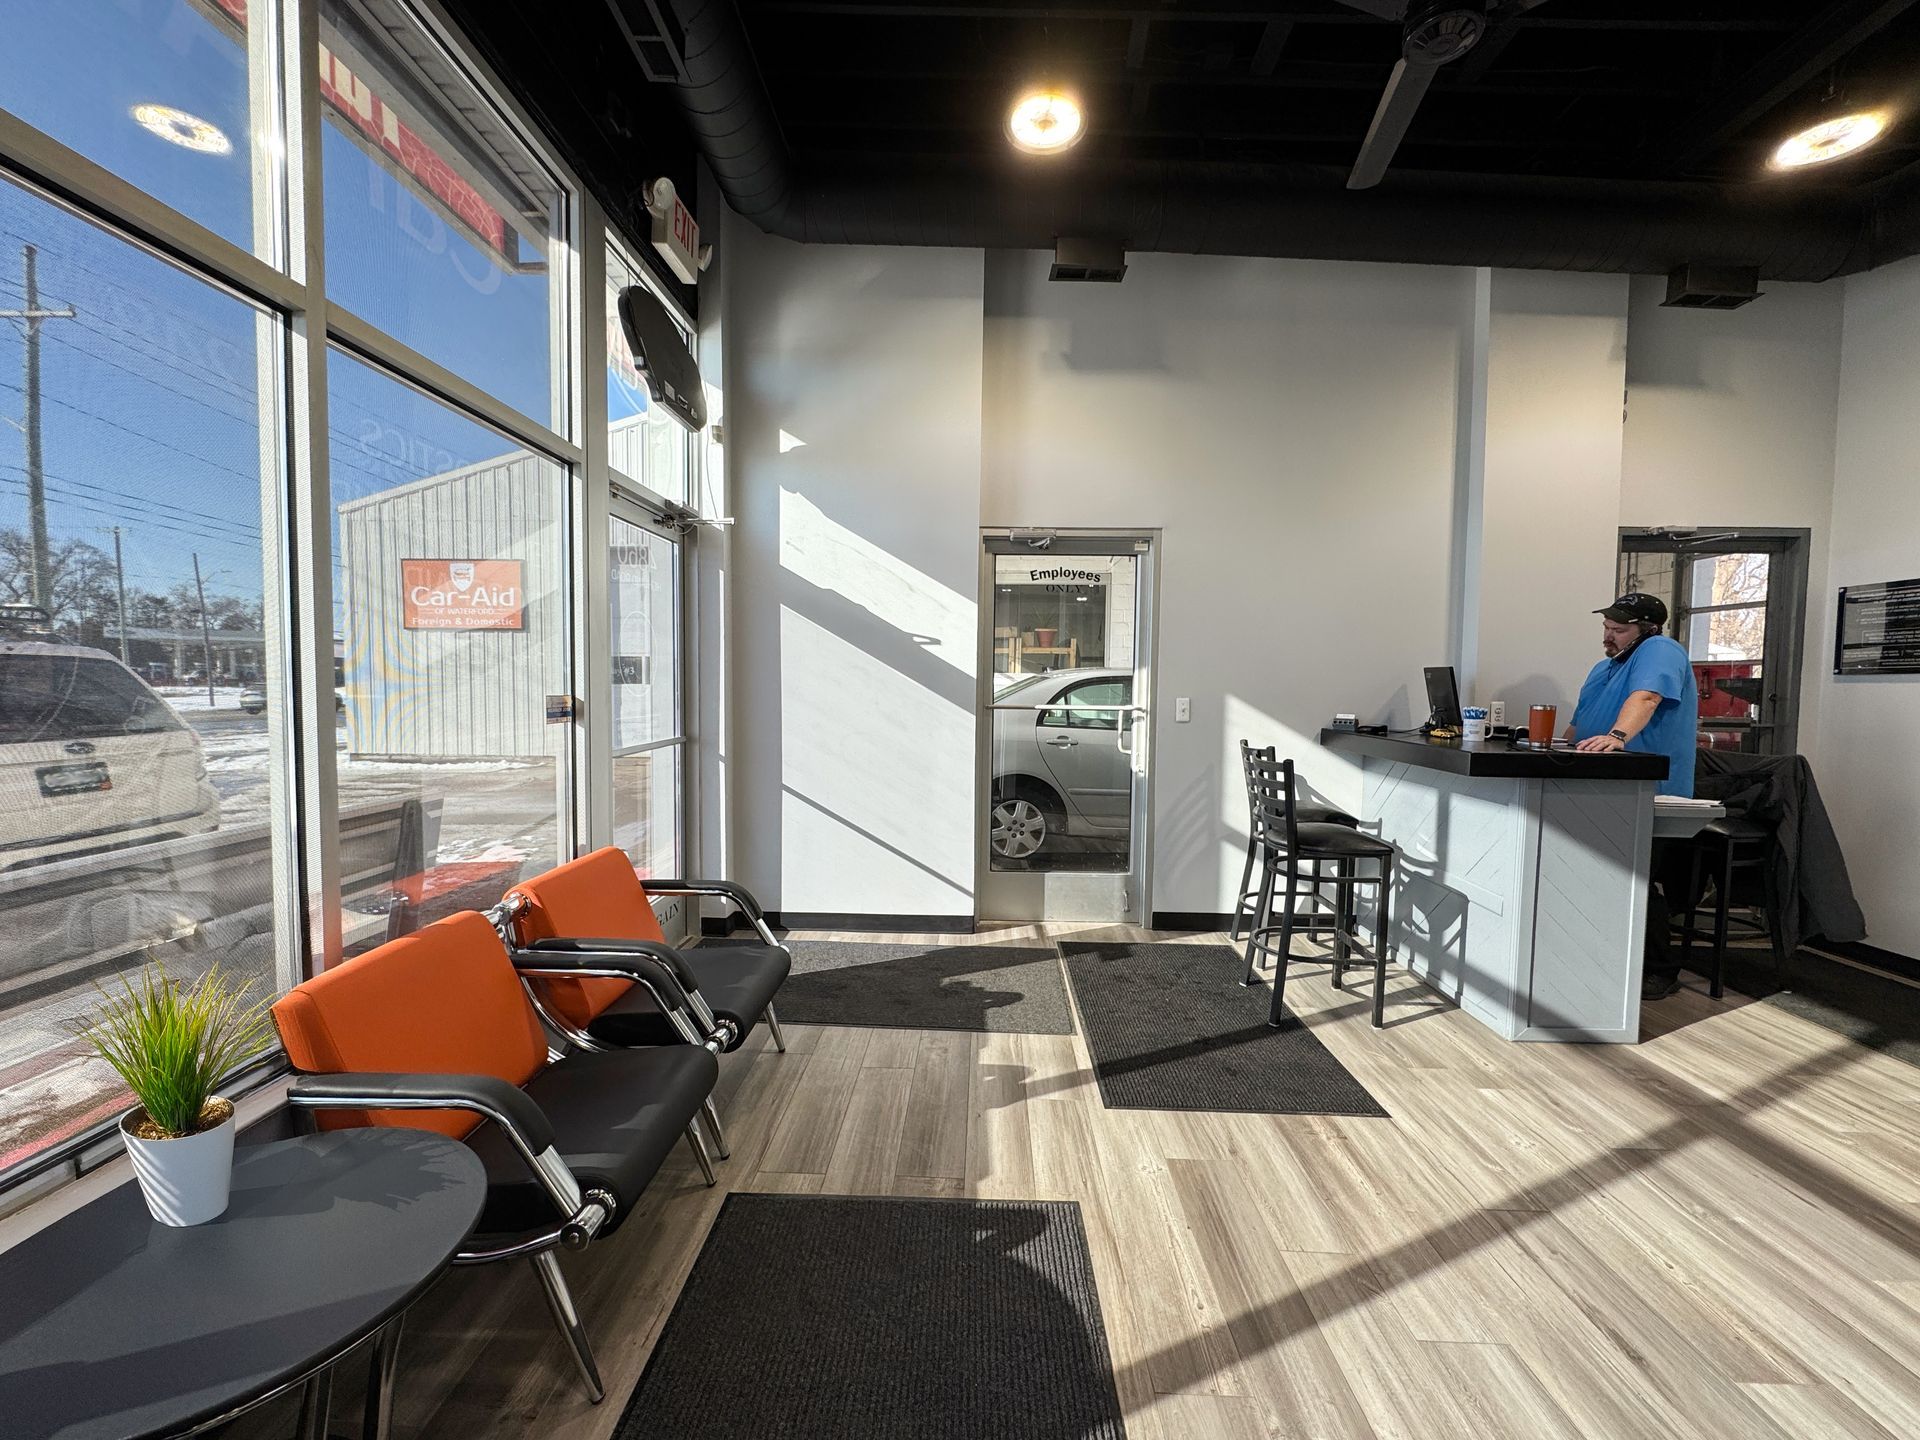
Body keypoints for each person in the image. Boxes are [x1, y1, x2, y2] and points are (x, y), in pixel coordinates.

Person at [1568, 591, 1698, 1000]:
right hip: (1601, 788)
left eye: (1619, 630)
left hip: (1651, 790)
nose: (1608, 636)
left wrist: (1618, 737)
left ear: (1646, 630)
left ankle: (1660, 970)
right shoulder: (1603, 668)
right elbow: (1578, 726)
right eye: (1606, 628)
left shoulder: (1661, 650)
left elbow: (1647, 697)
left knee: (1638, 876)